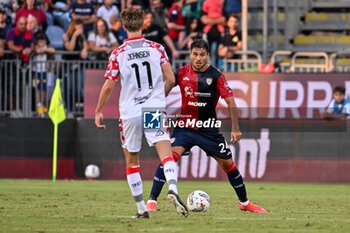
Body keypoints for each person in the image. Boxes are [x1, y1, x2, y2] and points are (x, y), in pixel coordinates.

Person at [145, 39, 268, 214]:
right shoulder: (181, 73)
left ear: (208, 56)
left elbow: (230, 101)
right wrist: (155, 106)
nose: (198, 58)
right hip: (185, 127)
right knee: (169, 158)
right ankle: (152, 201)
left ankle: (244, 203)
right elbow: (166, 86)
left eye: (202, 54)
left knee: (229, 166)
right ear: (190, 55)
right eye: (195, 54)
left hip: (208, 129)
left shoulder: (216, 75)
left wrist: (235, 128)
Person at [95, 8, 188, 219]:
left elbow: (109, 86)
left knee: (132, 161)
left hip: (129, 112)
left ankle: (141, 209)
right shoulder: (157, 48)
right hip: (152, 109)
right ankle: (172, 187)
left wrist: (99, 110)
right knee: (166, 154)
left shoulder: (118, 53)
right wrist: (157, 99)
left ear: (124, 26)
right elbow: (171, 79)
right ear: (143, 25)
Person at [33, 32, 55, 117]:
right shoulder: (35, 48)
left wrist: (44, 50)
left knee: (45, 88)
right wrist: (38, 50)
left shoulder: (47, 48)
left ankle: (44, 105)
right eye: (40, 42)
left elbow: (53, 50)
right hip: (36, 72)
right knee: (37, 88)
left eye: (43, 41)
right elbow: (35, 50)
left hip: (45, 72)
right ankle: (39, 106)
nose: (41, 43)